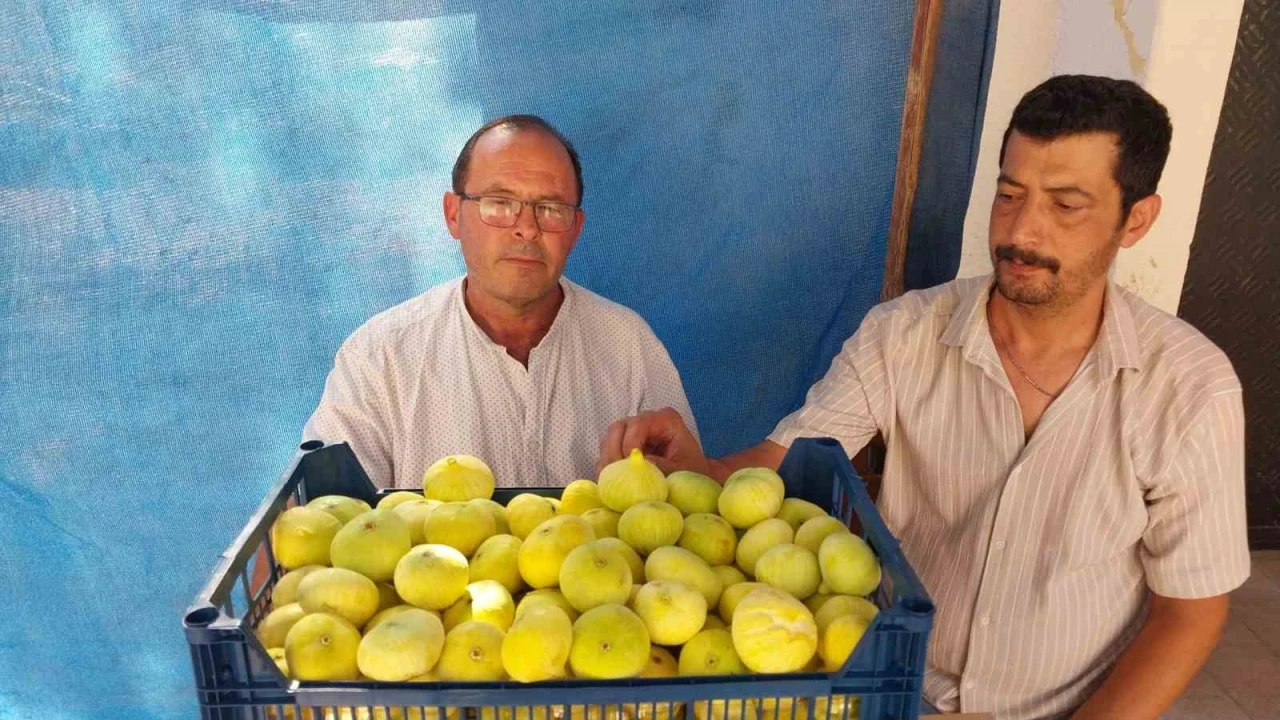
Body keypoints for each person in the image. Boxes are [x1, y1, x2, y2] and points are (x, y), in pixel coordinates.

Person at [598, 76, 1248, 720]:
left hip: (1075, 706)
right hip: (898, 692)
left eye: (1066, 205)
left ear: (1136, 219)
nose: (1023, 231)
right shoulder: (904, 335)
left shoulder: (1190, 388)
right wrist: (700, 471)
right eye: (1009, 194)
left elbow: (1190, 612)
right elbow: (788, 461)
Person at [304, 114, 696, 488]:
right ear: (453, 215)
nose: (526, 228)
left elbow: (684, 500)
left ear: (575, 229)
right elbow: (321, 521)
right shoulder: (380, 356)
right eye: (499, 203)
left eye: (550, 208)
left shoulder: (627, 344)